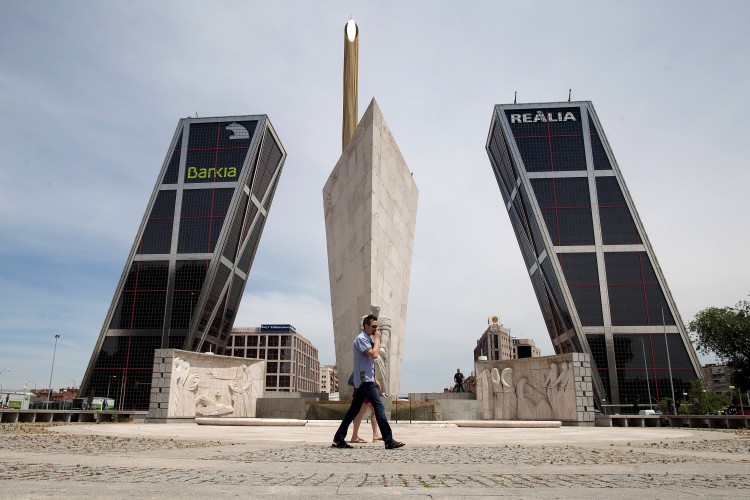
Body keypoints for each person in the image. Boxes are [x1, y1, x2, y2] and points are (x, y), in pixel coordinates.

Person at [332, 314, 405, 449]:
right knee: (379, 407)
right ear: (366, 326)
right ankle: (388, 440)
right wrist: (377, 339)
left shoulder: (366, 339)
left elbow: (368, 363)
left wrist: (375, 379)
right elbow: (374, 354)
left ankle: (338, 437)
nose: (376, 329)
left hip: (365, 380)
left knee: (353, 410)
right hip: (364, 381)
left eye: (377, 327)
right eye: (374, 327)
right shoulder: (361, 339)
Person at [349, 377, 383, 443]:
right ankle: (354, 436)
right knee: (360, 413)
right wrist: (376, 381)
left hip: (367, 387)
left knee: (374, 411)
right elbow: (367, 372)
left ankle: (376, 434)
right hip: (366, 388)